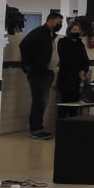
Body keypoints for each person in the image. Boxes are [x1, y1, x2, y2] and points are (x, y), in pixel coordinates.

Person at [18, 10, 63, 139]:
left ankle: (39, 127)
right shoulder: (39, 33)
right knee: (39, 101)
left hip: (46, 73)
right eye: (59, 22)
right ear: (51, 20)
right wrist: (29, 66)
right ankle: (35, 129)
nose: (59, 24)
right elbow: (23, 45)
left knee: (42, 102)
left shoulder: (50, 35)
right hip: (38, 74)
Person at [55, 18, 90, 117]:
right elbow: (66, 58)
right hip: (66, 78)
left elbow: (85, 60)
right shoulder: (63, 42)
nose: (77, 32)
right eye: (74, 30)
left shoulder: (80, 44)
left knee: (75, 104)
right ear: (69, 30)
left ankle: (72, 124)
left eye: (78, 30)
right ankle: (62, 125)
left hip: (77, 80)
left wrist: (83, 70)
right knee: (65, 103)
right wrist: (78, 70)